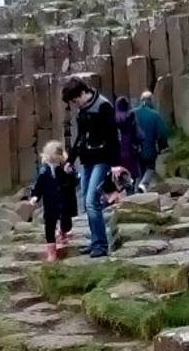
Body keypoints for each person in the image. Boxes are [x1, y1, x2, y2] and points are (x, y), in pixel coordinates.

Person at [62, 77, 120, 258]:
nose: (75, 104)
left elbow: (113, 136)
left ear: (82, 93)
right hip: (87, 160)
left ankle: (101, 245)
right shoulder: (83, 110)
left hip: (102, 159)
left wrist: (115, 164)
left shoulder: (103, 106)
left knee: (91, 201)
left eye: (75, 100)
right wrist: (71, 160)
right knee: (87, 202)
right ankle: (96, 239)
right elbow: (80, 137)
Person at [29, 141, 78, 263]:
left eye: (55, 160)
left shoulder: (67, 167)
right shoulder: (44, 171)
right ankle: (51, 250)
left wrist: (70, 174)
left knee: (66, 222)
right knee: (49, 225)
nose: (53, 163)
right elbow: (38, 186)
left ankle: (64, 231)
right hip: (50, 203)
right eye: (51, 161)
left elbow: (75, 181)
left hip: (65, 201)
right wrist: (35, 196)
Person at [133, 91, 168, 192]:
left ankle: (136, 190)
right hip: (149, 149)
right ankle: (143, 185)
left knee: (139, 168)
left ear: (141, 100)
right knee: (150, 167)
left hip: (134, 149)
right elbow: (162, 133)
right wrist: (162, 146)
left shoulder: (132, 113)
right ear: (151, 100)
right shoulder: (155, 115)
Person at [115, 96, 143, 185]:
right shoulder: (131, 117)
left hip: (117, 153)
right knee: (131, 177)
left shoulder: (113, 119)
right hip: (130, 151)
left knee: (119, 178)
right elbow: (139, 135)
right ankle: (130, 189)